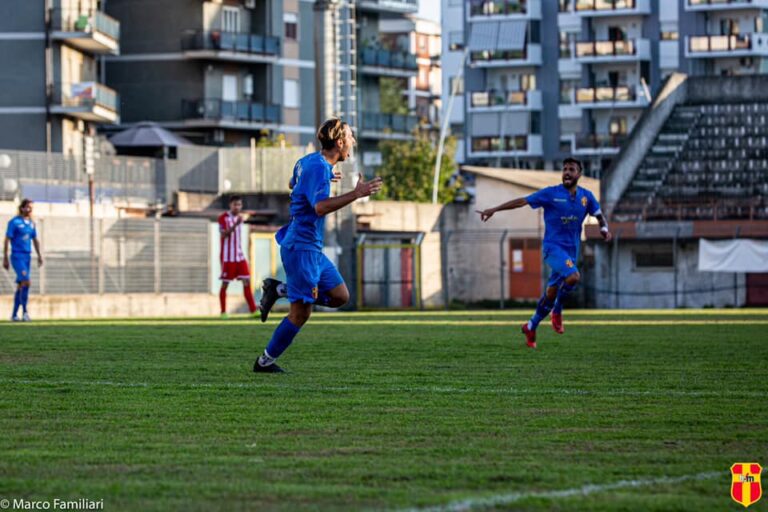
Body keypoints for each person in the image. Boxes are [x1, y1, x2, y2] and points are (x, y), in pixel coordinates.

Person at [254, 118, 382, 373]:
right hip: (301, 248)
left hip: (310, 248)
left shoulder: (309, 162)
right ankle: (264, 362)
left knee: (340, 296)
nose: (353, 142)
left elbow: (293, 184)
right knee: (301, 313)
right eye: (350, 137)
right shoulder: (318, 168)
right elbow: (320, 207)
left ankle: (279, 290)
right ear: (339, 142)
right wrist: (355, 194)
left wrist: (320, 181)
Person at [476, 158, 612, 348]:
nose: (566, 172)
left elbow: (599, 215)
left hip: (571, 252)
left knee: (551, 292)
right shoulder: (551, 193)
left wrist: (604, 228)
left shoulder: (586, 196)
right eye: (564, 169)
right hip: (552, 248)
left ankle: (531, 326)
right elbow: (522, 201)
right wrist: (495, 209)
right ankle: (557, 311)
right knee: (573, 277)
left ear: (579, 174)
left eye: (571, 169)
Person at [218, 196, 259, 318]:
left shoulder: (240, 218)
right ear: (230, 205)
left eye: (239, 205)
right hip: (227, 257)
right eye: (235, 204)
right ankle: (223, 312)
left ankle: (253, 310)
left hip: (239, 256)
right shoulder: (223, 218)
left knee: (246, 281)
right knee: (225, 284)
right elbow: (224, 234)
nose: (237, 207)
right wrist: (235, 225)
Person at [3, 199, 44, 321]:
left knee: (21, 285)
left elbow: (35, 240)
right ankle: (25, 312)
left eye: (31, 208)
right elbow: (7, 239)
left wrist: (39, 255)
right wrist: (5, 258)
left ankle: (14, 315)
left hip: (27, 257)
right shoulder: (14, 222)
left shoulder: (31, 223)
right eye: (27, 207)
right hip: (17, 256)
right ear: (22, 208)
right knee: (26, 281)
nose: (30, 210)